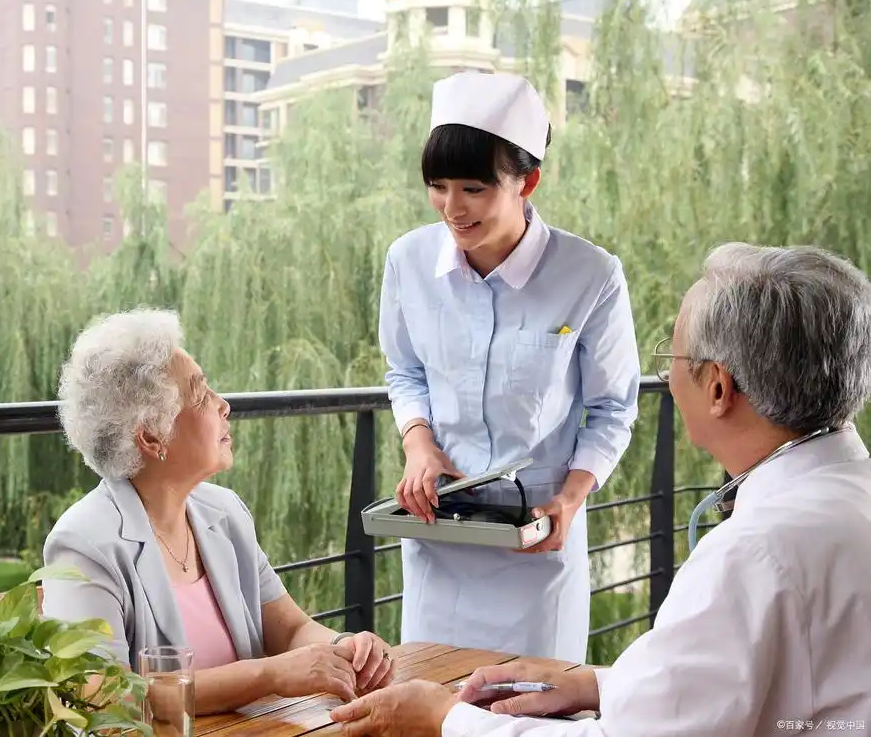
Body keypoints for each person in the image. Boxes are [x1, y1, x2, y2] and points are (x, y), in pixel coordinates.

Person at [331, 242, 871, 736]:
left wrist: (444, 719)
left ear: (718, 388)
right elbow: (731, 686)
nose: (667, 380)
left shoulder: (751, 554)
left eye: (672, 360)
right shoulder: (842, 500)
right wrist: (598, 684)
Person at [378, 71, 640, 662]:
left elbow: (612, 408)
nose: (452, 208)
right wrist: (418, 445)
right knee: (430, 694)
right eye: (438, 186)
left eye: (473, 188)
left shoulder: (590, 275)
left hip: (536, 539)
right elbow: (406, 372)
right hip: (440, 529)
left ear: (528, 181)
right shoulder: (407, 261)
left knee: (530, 700)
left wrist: (570, 500)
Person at [41, 308, 395, 715]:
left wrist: (343, 648)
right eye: (201, 394)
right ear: (152, 436)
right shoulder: (83, 544)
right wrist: (268, 675)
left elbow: (290, 629)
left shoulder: (224, 511)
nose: (222, 405)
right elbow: (104, 696)